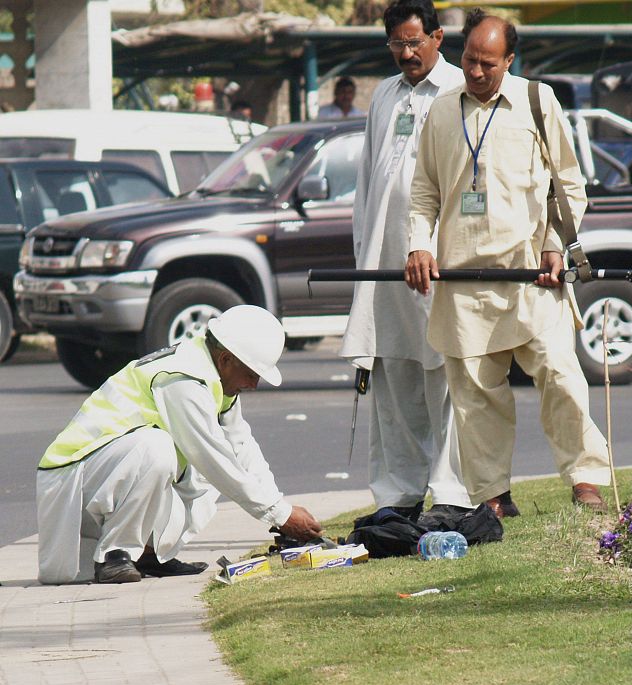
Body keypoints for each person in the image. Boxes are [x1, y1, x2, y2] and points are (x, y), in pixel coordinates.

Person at [405, 8, 610, 518]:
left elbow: (569, 185)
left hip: (531, 276)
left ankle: (585, 479)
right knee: (476, 397)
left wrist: (555, 243)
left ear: (510, 60)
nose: (476, 71)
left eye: (488, 63)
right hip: (462, 281)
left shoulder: (537, 101)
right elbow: (424, 192)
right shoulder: (442, 111)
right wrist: (418, 246)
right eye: (469, 60)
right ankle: (493, 496)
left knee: (561, 375)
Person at [37, 306, 322, 584]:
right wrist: (280, 515)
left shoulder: (213, 376)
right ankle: (115, 555)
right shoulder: (183, 379)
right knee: (161, 449)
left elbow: (242, 448)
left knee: (208, 470)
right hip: (72, 478)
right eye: (252, 374)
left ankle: (148, 553)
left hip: (103, 475)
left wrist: (281, 509)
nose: (254, 384)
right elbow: (213, 457)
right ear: (225, 359)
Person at [340, 0, 471, 520]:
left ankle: (453, 493)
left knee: (445, 375)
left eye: (414, 42)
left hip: (437, 262)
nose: (406, 53)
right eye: (397, 43)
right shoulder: (384, 94)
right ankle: (399, 495)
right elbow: (368, 183)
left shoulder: (460, 88)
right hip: (383, 262)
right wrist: (363, 257)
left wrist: (434, 247)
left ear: (438, 38)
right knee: (393, 376)